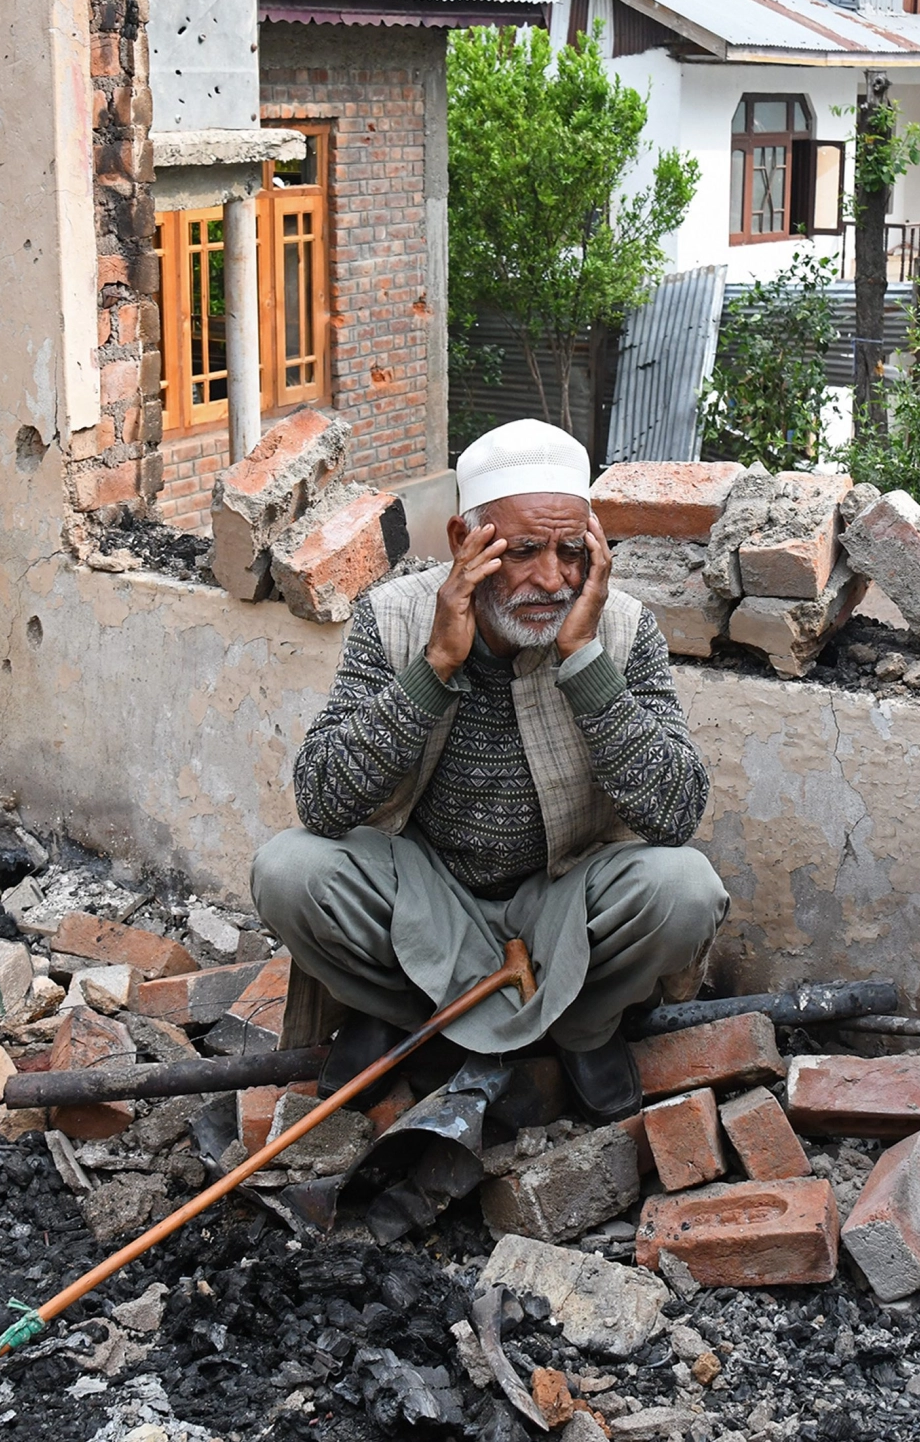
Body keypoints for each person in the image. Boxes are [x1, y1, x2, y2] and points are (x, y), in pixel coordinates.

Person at [251, 419, 725, 1120]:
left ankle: (583, 1028)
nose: (552, 579)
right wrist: (435, 665)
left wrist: (585, 664)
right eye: (524, 550)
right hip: (425, 897)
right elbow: (321, 802)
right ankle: (399, 1013)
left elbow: (677, 813)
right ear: (462, 543)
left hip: (563, 898)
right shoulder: (394, 619)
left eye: (572, 553)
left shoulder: (620, 628)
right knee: (289, 871)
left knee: (685, 889)